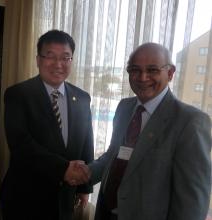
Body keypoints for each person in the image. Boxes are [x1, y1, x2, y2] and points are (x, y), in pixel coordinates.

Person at [85, 43, 211, 220]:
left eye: (152, 70)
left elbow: (192, 202)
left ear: (170, 73)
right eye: (135, 70)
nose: (142, 78)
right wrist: (87, 172)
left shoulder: (190, 121)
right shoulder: (124, 108)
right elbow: (114, 155)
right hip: (105, 213)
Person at [1, 30, 94, 220]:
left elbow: (86, 143)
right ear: (38, 59)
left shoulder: (82, 98)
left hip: (65, 197)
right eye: (50, 56)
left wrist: (85, 187)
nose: (58, 64)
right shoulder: (18, 95)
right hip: (26, 196)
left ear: (71, 60)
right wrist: (63, 169)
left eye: (65, 58)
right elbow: (20, 144)